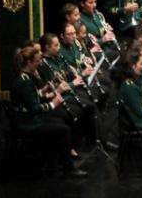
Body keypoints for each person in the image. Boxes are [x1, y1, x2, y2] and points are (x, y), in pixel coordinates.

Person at [9, 46, 88, 176]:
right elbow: (34, 109)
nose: (39, 64)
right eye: (36, 61)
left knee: (58, 121)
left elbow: (29, 98)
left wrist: (43, 91)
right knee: (64, 129)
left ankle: (52, 162)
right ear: (29, 63)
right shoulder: (25, 81)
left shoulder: (24, 77)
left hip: (26, 118)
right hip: (26, 123)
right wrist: (53, 104)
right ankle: (68, 168)